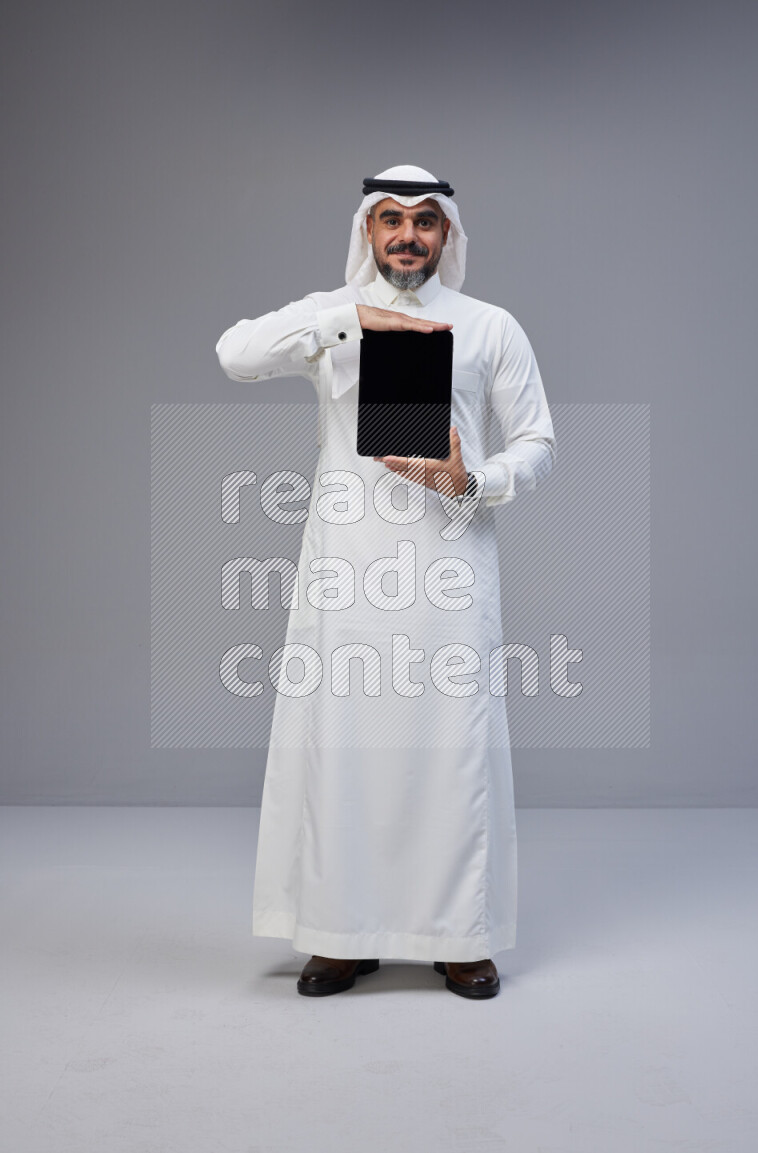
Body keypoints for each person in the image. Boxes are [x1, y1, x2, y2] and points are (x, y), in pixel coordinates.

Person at [216, 164, 556, 999]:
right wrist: (351, 318)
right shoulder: (328, 316)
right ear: (368, 229)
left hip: (448, 568)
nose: (408, 235)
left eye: (426, 221)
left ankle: (459, 935)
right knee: (343, 750)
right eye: (391, 219)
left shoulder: (489, 327)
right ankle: (340, 934)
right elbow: (234, 354)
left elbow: (540, 442)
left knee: (450, 752)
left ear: (448, 235)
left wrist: (471, 480)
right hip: (348, 571)